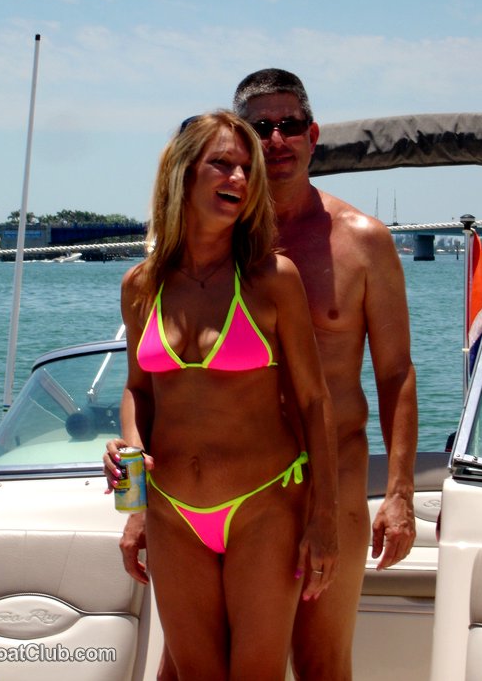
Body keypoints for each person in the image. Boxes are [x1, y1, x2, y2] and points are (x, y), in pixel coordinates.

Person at [104, 110, 338, 680]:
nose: (239, 178)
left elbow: (314, 401)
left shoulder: (272, 278)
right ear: (183, 173)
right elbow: (138, 390)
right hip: (170, 512)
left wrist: (324, 517)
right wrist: (131, 490)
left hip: (264, 505)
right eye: (223, 164)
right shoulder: (141, 286)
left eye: (246, 169)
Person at [232, 68, 418, 680]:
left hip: (333, 480)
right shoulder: (217, 242)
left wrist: (399, 493)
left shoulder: (363, 242)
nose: (276, 139)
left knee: (321, 665)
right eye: (261, 127)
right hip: (237, 480)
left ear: (312, 136)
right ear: (241, 139)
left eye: (289, 125)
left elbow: (395, 374)